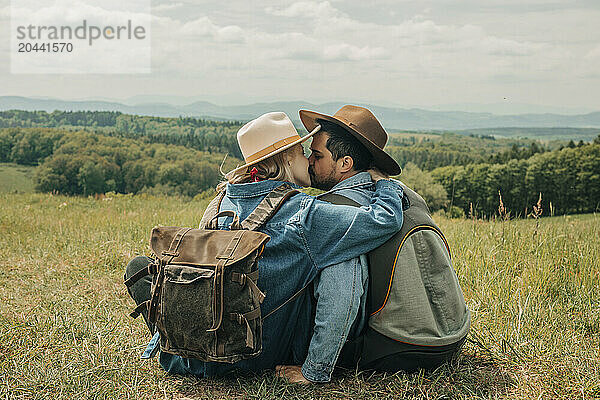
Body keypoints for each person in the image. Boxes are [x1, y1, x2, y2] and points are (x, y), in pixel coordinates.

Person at [124, 111, 405, 379]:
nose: (308, 159)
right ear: (287, 159)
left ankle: (173, 337)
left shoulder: (219, 202)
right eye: (301, 152)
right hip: (257, 353)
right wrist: (385, 183)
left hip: (198, 350)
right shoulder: (305, 215)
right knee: (338, 257)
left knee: (138, 267)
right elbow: (385, 220)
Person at [276, 105, 469, 382]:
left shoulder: (336, 212)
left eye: (317, 155)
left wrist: (312, 371)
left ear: (345, 164)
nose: (308, 161)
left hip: (398, 346)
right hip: (452, 338)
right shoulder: (405, 193)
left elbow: (341, 294)